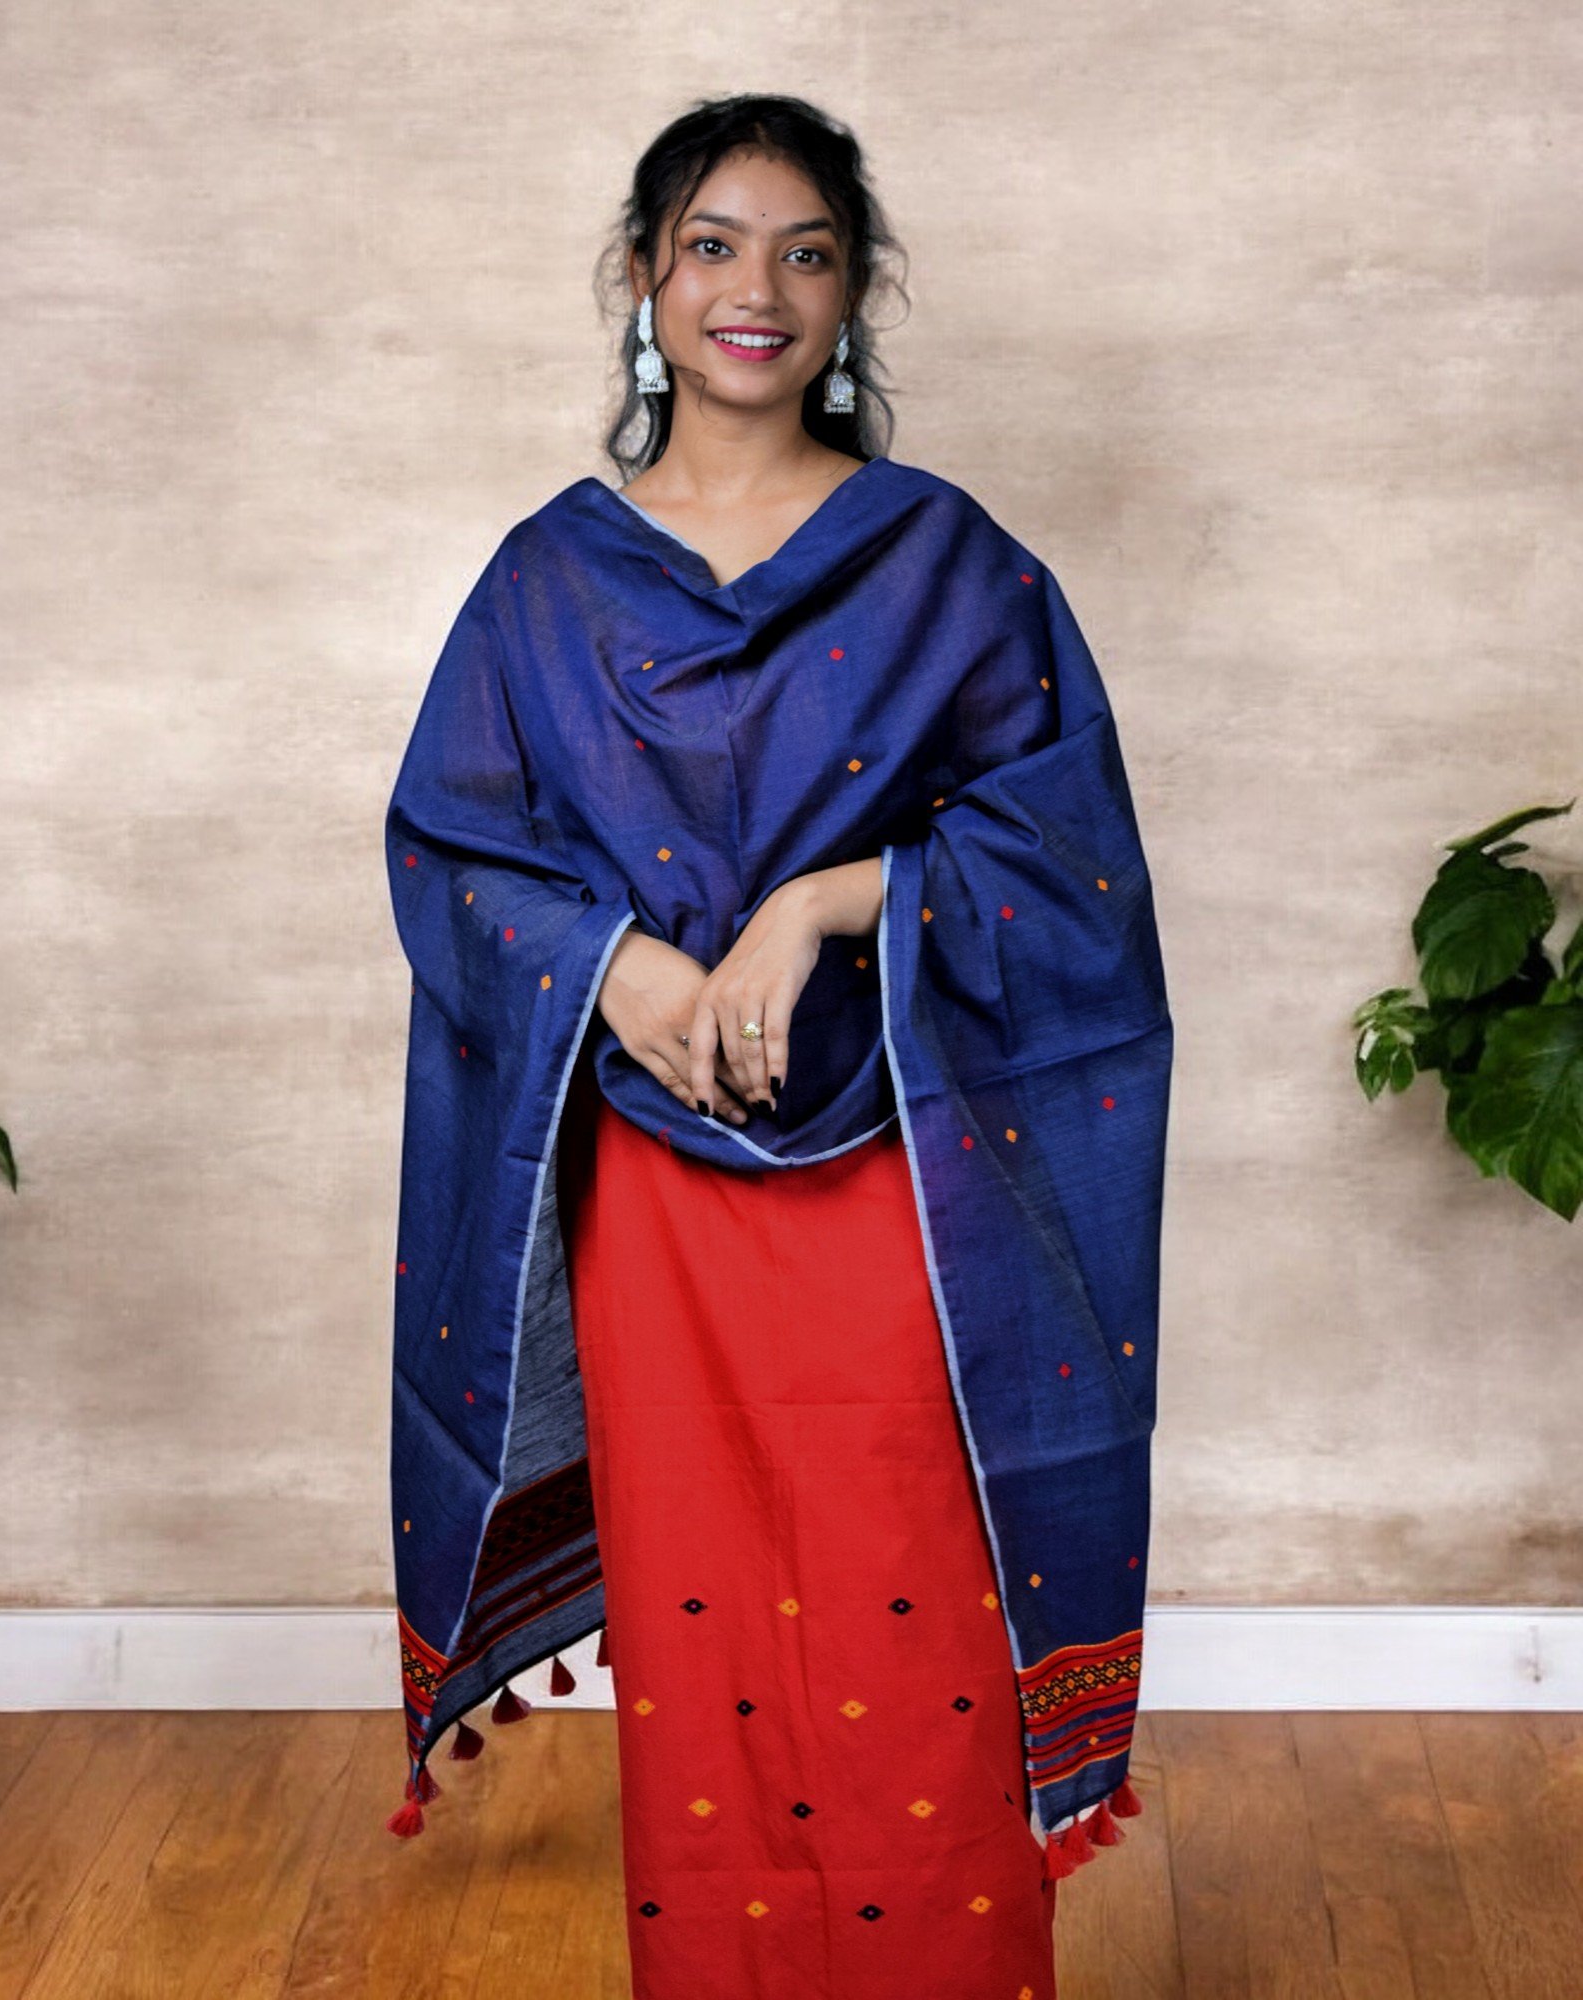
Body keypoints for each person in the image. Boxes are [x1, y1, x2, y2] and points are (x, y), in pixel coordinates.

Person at [383, 92, 1172, 2000]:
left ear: (856, 291)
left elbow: (1070, 864)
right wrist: (620, 971)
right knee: (711, 1634)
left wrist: (833, 900)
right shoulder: (550, 580)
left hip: (911, 1173)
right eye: (715, 246)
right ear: (645, 278)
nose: (760, 289)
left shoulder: (947, 564)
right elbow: (457, 849)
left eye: (807, 252)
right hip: (655, 1192)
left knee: (917, 1611)